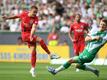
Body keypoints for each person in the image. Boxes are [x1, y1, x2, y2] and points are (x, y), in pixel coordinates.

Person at [2, 6, 60, 77]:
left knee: (33, 52)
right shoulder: (24, 14)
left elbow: (34, 28)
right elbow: (16, 16)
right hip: (24, 35)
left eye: (36, 12)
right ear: (30, 11)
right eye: (34, 12)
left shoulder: (35, 18)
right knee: (40, 40)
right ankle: (50, 54)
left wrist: (31, 35)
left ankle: (32, 69)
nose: (35, 13)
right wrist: (7, 18)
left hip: (30, 34)